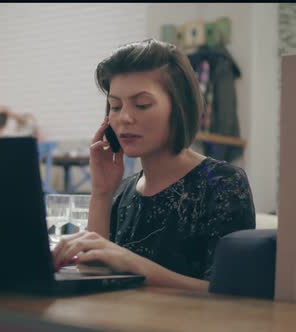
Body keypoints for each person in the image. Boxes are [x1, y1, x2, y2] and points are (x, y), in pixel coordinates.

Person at [51, 39, 255, 292]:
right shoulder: (122, 192)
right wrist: (101, 193)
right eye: (115, 106)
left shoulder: (222, 183)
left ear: (178, 106)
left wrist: (132, 263)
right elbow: (94, 276)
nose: (124, 117)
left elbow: (228, 293)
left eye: (142, 105)